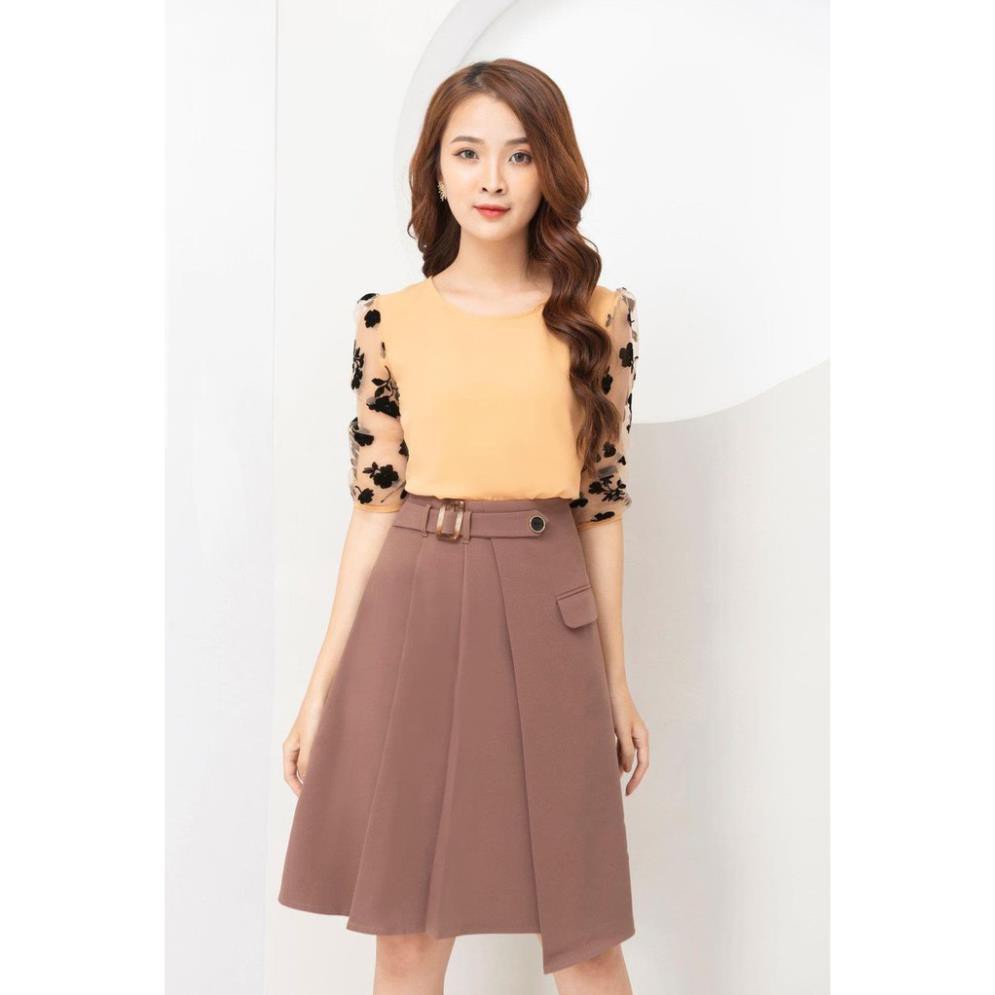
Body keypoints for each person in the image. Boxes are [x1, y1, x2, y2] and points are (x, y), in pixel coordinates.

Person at [278, 58, 650, 995]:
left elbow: (601, 504)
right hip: (414, 606)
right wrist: (321, 688)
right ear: (435, 170)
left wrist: (614, 680)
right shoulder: (386, 321)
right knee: (406, 932)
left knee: (584, 934)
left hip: (550, 608)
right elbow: (374, 506)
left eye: (519, 155)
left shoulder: (598, 320)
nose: (492, 178)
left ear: (550, 168)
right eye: (468, 153)